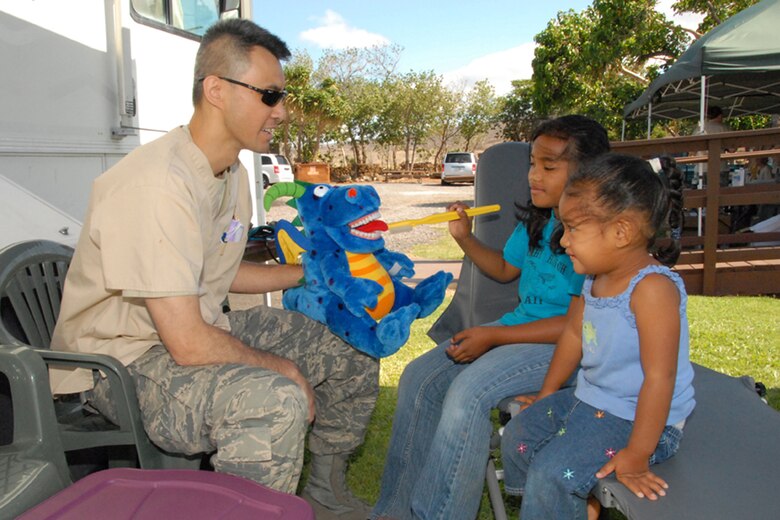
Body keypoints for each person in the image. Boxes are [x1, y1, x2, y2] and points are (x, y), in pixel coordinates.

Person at [49, 19, 376, 520]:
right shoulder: (157, 184)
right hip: (122, 362)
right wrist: (286, 370)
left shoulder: (232, 173)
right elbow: (186, 342)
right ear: (217, 90)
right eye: (270, 95)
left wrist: (313, 273)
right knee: (273, 399)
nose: (282, 112)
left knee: (351, 348)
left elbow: (219, 274)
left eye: (281, 96)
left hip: (191, 328)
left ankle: (325, 494)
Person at [371, 115, 611, 520]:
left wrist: (496, 337)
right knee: (419, 377)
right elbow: (503, 270)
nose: (534, 175)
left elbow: (577, 326)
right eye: (532, 163)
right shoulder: (539, 218)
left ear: (588, 172)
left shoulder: (591, 234)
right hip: (515, 332)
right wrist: (465, 238)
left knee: (470, 392)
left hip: (567, 347)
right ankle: (394, 512)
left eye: (549, 166)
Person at [500, 153, 696, 520]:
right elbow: (574, 334)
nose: (563, 239)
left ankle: (560, 497)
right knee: (518, 436)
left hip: (640, 419)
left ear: (621, 232)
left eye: (573, 228)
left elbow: (660, 377)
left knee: (552, 472)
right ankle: (564, 504)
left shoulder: (652, 289)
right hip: (589, 400)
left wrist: (637, 454)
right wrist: (546, 394)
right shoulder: (593, 278)